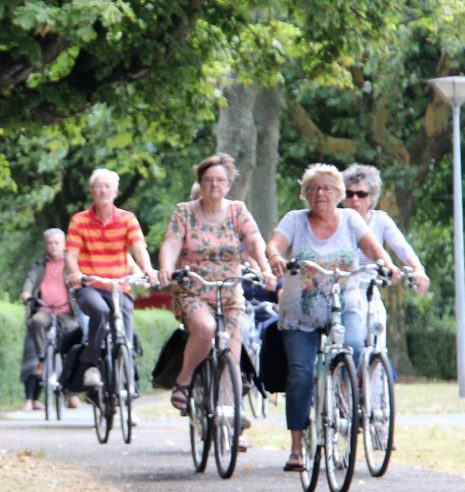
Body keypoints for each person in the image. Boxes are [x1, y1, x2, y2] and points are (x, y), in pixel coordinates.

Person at [265, 163, 398, 472]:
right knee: (299, 374)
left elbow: (375, 249)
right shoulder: (295, 221)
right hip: (302, 309)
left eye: (327, 188)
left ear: (338, 193)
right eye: (313, 188)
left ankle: (344, 398)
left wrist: (386, 265)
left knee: (351, 346)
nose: (320, 193)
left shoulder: (351, 220)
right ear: (305, 194)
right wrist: (275, 257)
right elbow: (275, 244)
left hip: (344, 301)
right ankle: (297, 447)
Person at [157, 153, 276, 415]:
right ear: (200, 183)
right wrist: (167, 267)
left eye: (220, 180)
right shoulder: (184, 212)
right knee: (205, 327)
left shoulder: (237, 211)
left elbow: (254, 240)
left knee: (232, 353)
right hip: (193, 290)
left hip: (229, 291)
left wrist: (265, 269)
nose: (214, 185)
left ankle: (230, 420)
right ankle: (185, 380)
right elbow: (172, 241)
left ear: (229, 183)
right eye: (209, 180)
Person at [65, 168, 157, 390]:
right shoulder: (79, 221)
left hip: (119, 286)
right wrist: (75, 273)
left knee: (125, 337)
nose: (103, 190)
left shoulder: (127, 219)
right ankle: (91, 364)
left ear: (115, 192)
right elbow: (71, 254)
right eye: (99, 186)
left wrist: (148, 269)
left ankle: (128, 388)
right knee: (101, 312)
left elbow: (138, 248)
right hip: (90, 285)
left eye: (108, 186)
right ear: (91, 192)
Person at [341, 164, 430, 326]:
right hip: (341, 289)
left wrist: (418, 269)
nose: (355, 199)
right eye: (349, 193)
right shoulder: (335, 221)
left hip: (370, 289)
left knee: (378, 321)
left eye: (361, 194)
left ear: (372, 197)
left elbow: (402, 247)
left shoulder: (381, 220)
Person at [20, 228, 82, 410]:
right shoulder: (40, 264)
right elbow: (30, 280)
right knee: (37, 322)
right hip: (45, 310)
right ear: (46, 245)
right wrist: (26, 292)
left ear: (63, 245)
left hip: (66, 312)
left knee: (74, 342)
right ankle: (42, 354)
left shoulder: (71, 263)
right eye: (49, 243)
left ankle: (72, 396)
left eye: (56, 243)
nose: (53, 247)